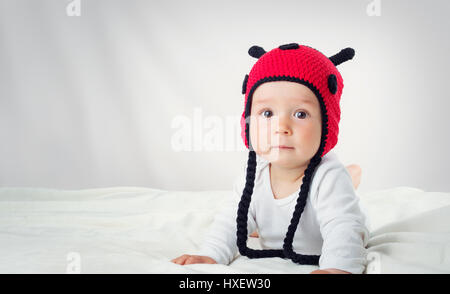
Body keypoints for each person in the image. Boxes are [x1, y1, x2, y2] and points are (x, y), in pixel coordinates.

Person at [171, 43, 369, 274]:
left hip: (333, 195)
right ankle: (349, 175)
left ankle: (351, 176)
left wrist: (336, 268)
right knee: (247, 218)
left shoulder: (330, 178)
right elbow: (231, 221)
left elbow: (343, 228)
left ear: (326, 124)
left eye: (300, 114)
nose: (281, 127)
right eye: (267, 113)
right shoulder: (253, 177)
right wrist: (210, 254)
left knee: (343, 186)